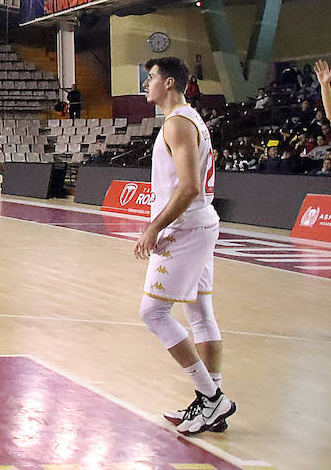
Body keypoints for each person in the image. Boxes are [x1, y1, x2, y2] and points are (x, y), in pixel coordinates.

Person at [134, 56, 235, 436]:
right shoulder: (191, 119)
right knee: (199, 311)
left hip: (186, 227)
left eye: (151, 77)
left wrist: (153, 228)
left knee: (153, 313)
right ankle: (211, 403)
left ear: (170, 82)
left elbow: (189, 186)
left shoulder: (177, 123)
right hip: (201, 223)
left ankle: (211, 398)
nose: (146, 83)